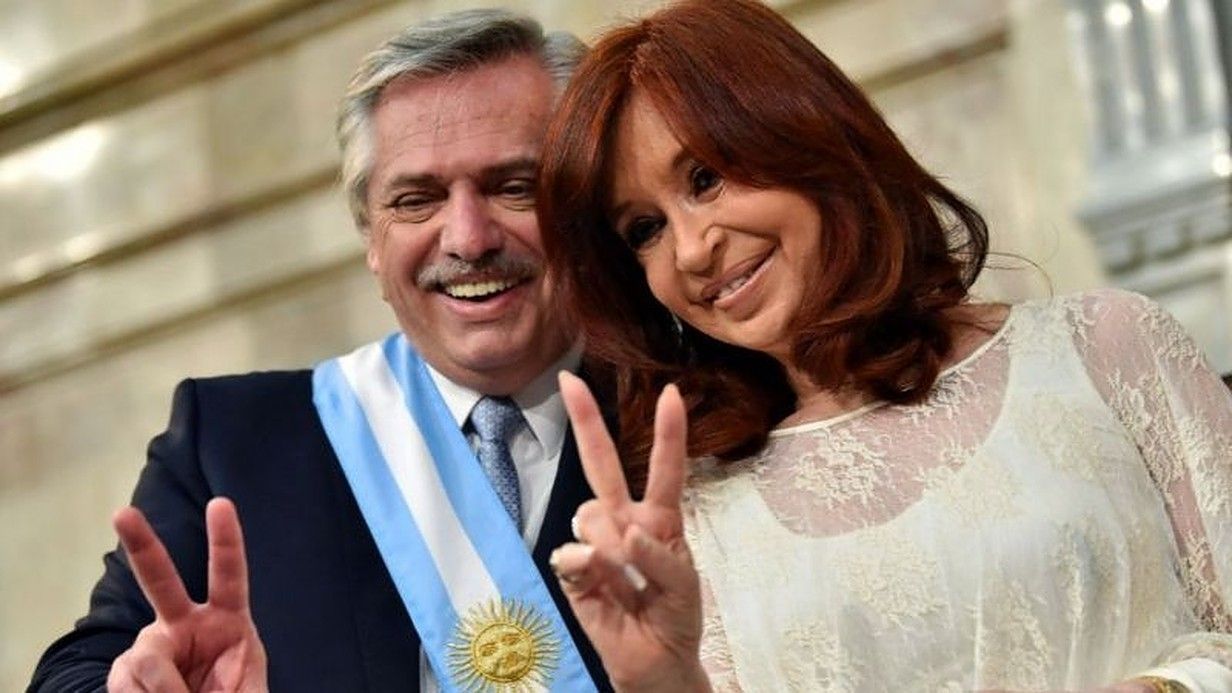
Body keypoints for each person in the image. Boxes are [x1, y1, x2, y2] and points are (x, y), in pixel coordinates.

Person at [535, 0, 1232, 691]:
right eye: (645, 229)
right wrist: (664, 682)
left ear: (802, 129)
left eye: (705, 179)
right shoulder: (697, 514)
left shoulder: (1106, 348)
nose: (691, 249)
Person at [29, 9, 614, 692]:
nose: (468, 238)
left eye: (514, 187)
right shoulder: (231, 443)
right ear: (371, 240)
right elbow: (71, 674)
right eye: (416, 200)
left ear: (586, 201)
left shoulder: (693, 408)